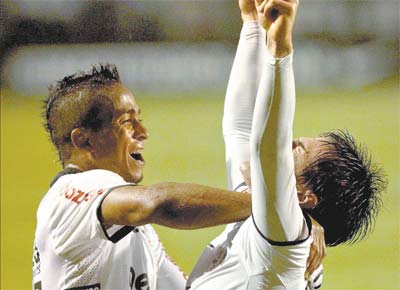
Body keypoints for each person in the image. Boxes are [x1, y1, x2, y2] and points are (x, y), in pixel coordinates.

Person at [187, 0, 386, 289]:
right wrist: (252, 24)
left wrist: (280, 51)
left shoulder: (282, 238)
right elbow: (240, 131)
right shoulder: (267, 215)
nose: (290, 143)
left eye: (297, 150)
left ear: (304, 196)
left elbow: (268, 148)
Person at [32, 64, 255, 289]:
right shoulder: (68, 197)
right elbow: (157, 203)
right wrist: (267, 203)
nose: (143, 132)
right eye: (127, 121)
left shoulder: (138, 232)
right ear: (84, 140)